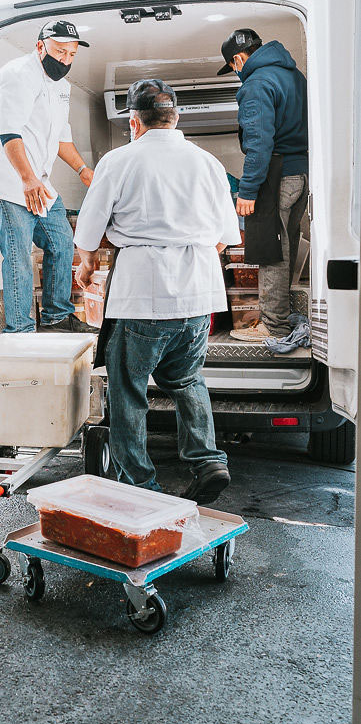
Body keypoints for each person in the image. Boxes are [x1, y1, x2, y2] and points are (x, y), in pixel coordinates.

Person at [74, 79, 241, 503]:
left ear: (134, 121)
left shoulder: (119, 161)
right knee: (186, 378)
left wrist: (89, 262)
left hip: (143, 296)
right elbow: (227, 236)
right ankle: (208, 461)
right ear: (176, 117)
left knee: (128, 388)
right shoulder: (207, 163)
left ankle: (142, 487)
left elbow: (88, 233)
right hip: (200, 297)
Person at [0, 19, 95, 333]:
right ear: (40, 46)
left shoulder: (62, 88)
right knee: (19, 254)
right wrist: (27, 179)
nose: (65, 60)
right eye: (59, 51)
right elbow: (8, 132)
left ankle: (56, 317)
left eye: (71, 54)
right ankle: (20, 331)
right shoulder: (17, 75)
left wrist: (83, 170)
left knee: (62, 241)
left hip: (37, 178)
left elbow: (61, 138)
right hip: (6, 177)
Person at [216, 28, 308, 343]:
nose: (237, 74)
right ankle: (279, 320)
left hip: (277, 175)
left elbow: (259, 143)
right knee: (286, 249)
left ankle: (272, 326)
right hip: (300, 174)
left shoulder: (256, 85)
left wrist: (248, 191)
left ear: (238, 59)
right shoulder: (294, 75)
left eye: (233, 68)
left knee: (271, 253)